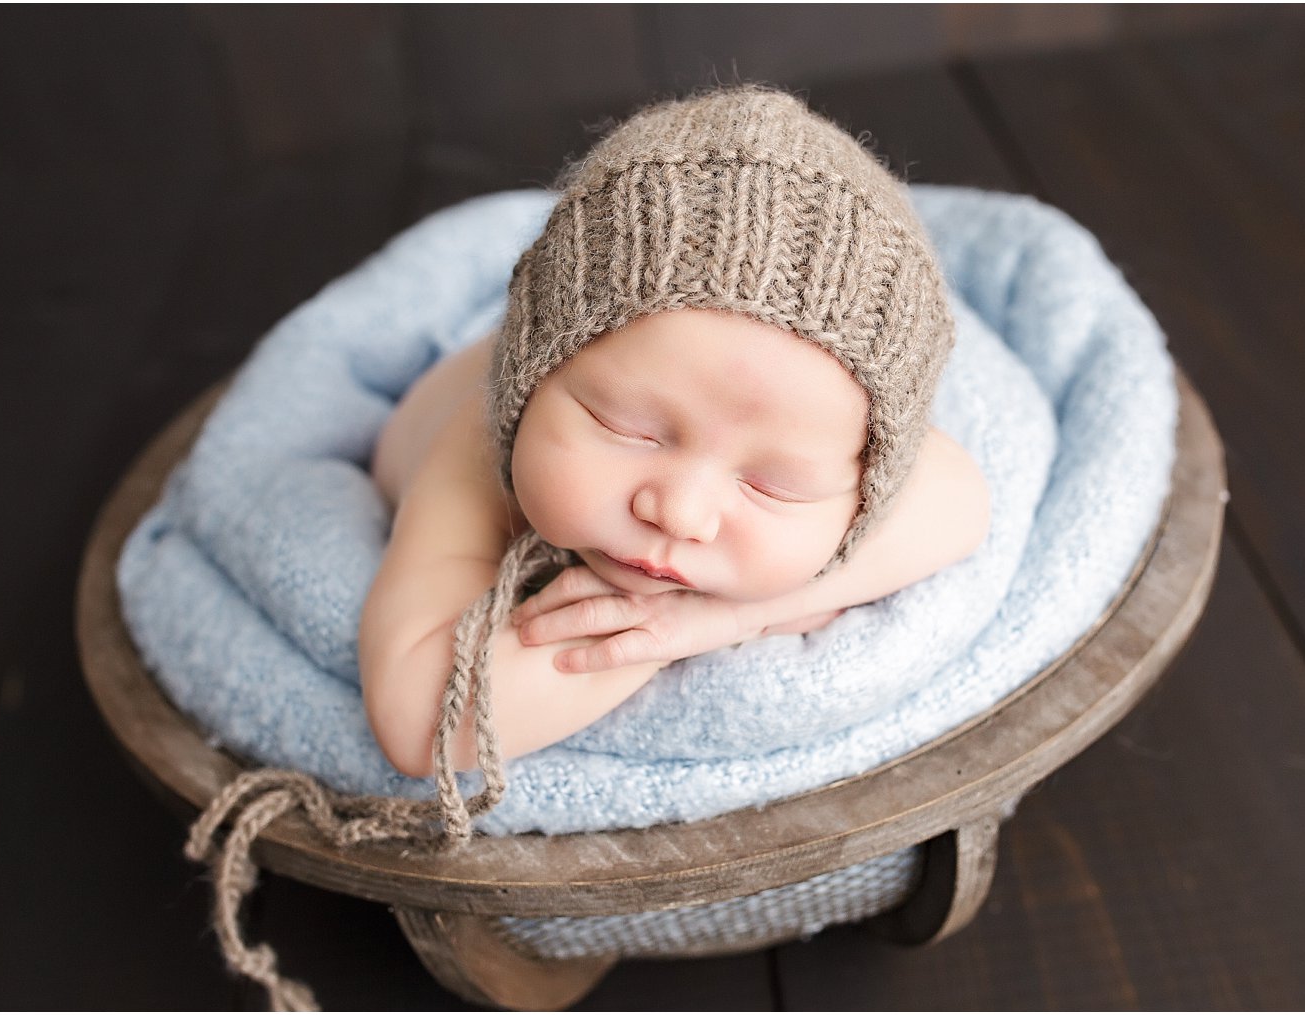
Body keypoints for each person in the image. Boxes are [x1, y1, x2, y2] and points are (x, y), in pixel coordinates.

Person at [357, 86, 992, 778]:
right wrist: (650, 638)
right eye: (625, 429)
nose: (680, 513)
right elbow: (422, 720)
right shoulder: (474, 449)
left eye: (772, 485)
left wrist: (719, 618)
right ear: (530, 379)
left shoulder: (834, 426)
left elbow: (963, 503)